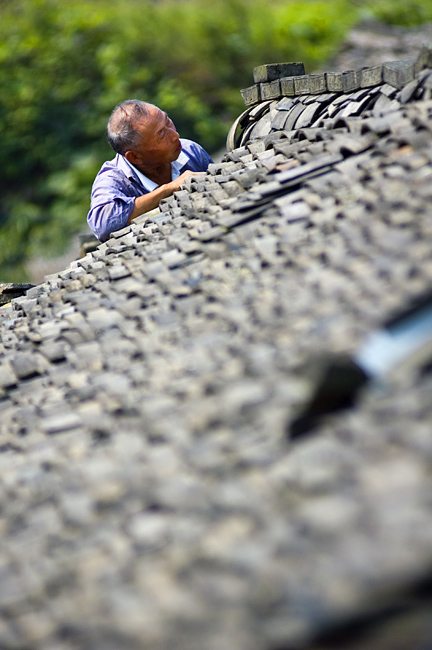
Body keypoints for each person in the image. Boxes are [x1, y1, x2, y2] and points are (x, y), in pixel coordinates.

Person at [87, 100, 213, 241]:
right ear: (135, 157)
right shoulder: (112, 180)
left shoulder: (190, 151)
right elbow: (102, 224)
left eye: (168, 122)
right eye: (161, 134)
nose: (175, 136)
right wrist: (168, 190)